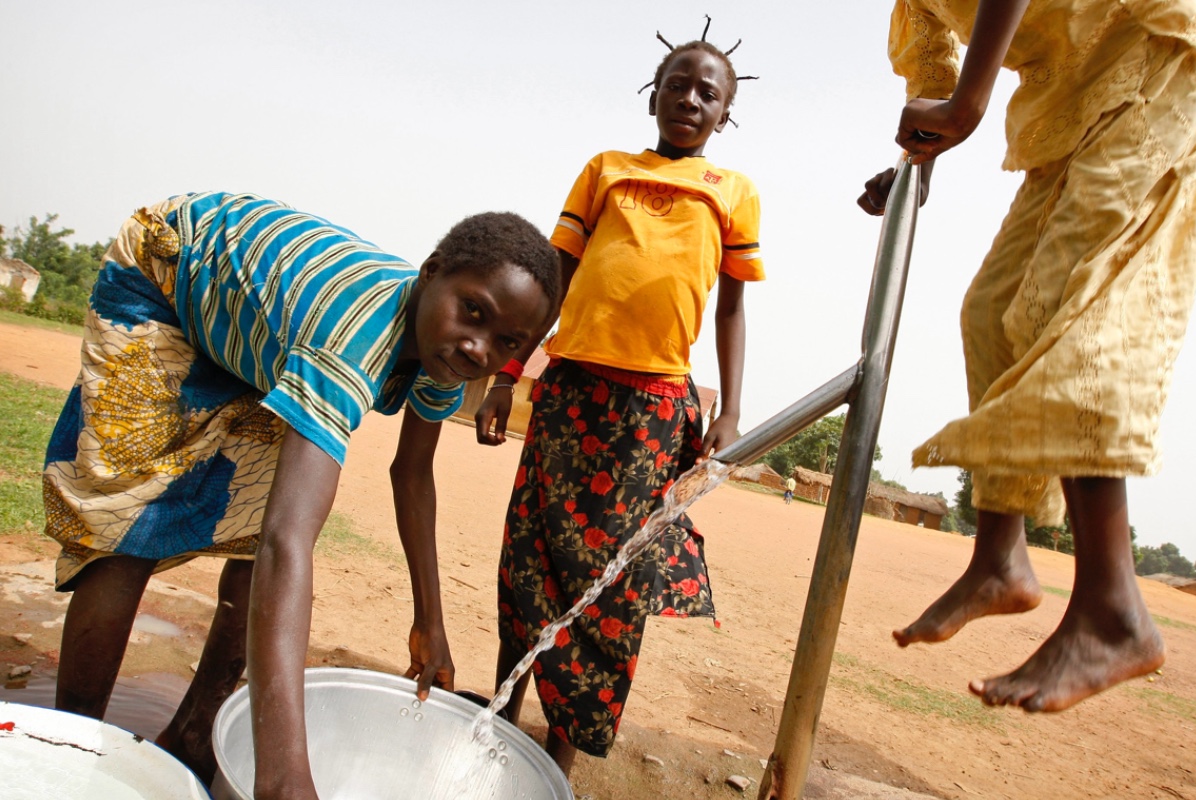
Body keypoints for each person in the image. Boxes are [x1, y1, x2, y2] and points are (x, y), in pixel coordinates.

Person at [42, 191, 559, 798]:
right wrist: (286, 776)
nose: (480, 348)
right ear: (431, 272)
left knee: (251, 527)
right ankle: (68, 757)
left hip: (258, 337)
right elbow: (291, 543)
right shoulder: (351, 330)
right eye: (473, 311)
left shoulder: (444, 361)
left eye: (506, 342)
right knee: (125, 530)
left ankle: (195, 736)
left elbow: (413, 474)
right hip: (169, 274)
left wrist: (430, 621)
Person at [858, 0, 1196, 712]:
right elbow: (935, 74)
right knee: (991, 314)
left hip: (1155, 60)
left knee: (1062, 304)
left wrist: (969, 103)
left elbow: (962, 96)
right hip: (1069, 104)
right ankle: (1000, 558)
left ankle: (1114, 610)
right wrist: (918, 167)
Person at [473, 37, 764, 774]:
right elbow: (555, 275)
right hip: (569, 392)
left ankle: (557, 758)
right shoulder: (606, 170)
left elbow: (731, 308)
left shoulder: (734, 190)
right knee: (529, 556)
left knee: (609, 585)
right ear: (653, 91)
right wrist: (510, 371)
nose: (690, 100)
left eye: (708, 94)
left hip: (653, 409)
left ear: (726, 115)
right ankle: (500, 718)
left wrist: (728, 406)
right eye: (678, 84)